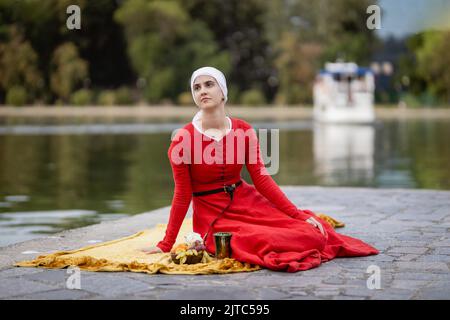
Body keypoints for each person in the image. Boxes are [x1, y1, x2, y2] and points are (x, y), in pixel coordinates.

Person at [142, 66, 378, 272]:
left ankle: (296, 221)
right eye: (197, 87)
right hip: (214, 216)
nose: (202, 90)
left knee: (311, 231)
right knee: (265, 241)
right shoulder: (183, 139)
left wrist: (297, 214)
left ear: (223, 92)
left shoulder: (244, 130)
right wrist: (166, 243)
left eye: (209, 84)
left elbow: (262, 179)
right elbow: (182, 194)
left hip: (247, 202)